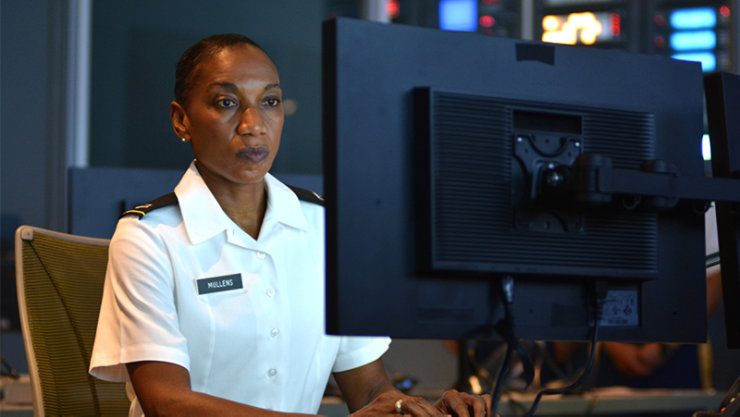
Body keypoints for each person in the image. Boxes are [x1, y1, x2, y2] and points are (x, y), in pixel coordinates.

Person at [88, 34, 490, 417]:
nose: (253, 124)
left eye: (270, 101)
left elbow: (369, 393)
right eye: (227, 102)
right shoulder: (148, 237)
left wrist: (416, 409)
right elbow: (167, 405)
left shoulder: (327, 228)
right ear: (181, 120)